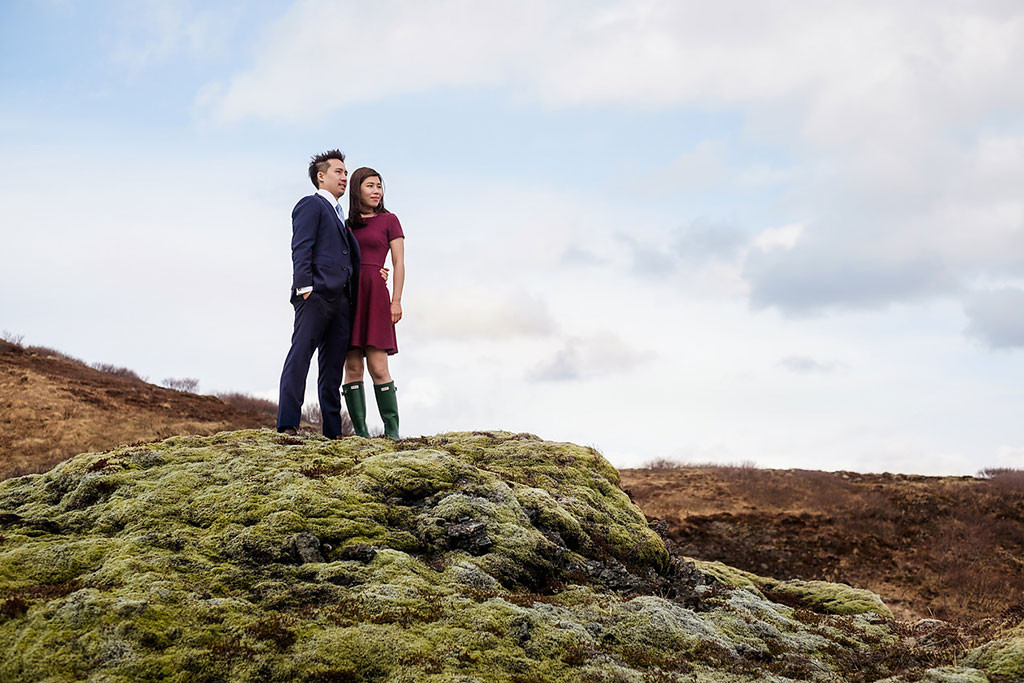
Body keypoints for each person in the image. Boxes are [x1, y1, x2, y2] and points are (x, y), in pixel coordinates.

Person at [275, 150, 362, 439]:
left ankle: (333, 432)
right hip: (315, 296)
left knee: (332, 367)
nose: (345, 177)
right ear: (321, 176)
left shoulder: (341, 217)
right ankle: (288, 424)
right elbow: (301, 247)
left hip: (342, 301)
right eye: (339, 172)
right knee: (300, 356)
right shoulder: (311, 205)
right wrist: (305, 288)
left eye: (346, 173)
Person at [342, 167, 406, 439]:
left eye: (379, 186)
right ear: (357, 189)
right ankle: (361, 435)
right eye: (370, 186)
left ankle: (393, 433)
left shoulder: (390, 220)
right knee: (353, 367)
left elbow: (399, 263)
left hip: (377, 297)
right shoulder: (346, 224)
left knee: (379, 368)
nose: (376, 191)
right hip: (348, 297)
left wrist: (396, 300)